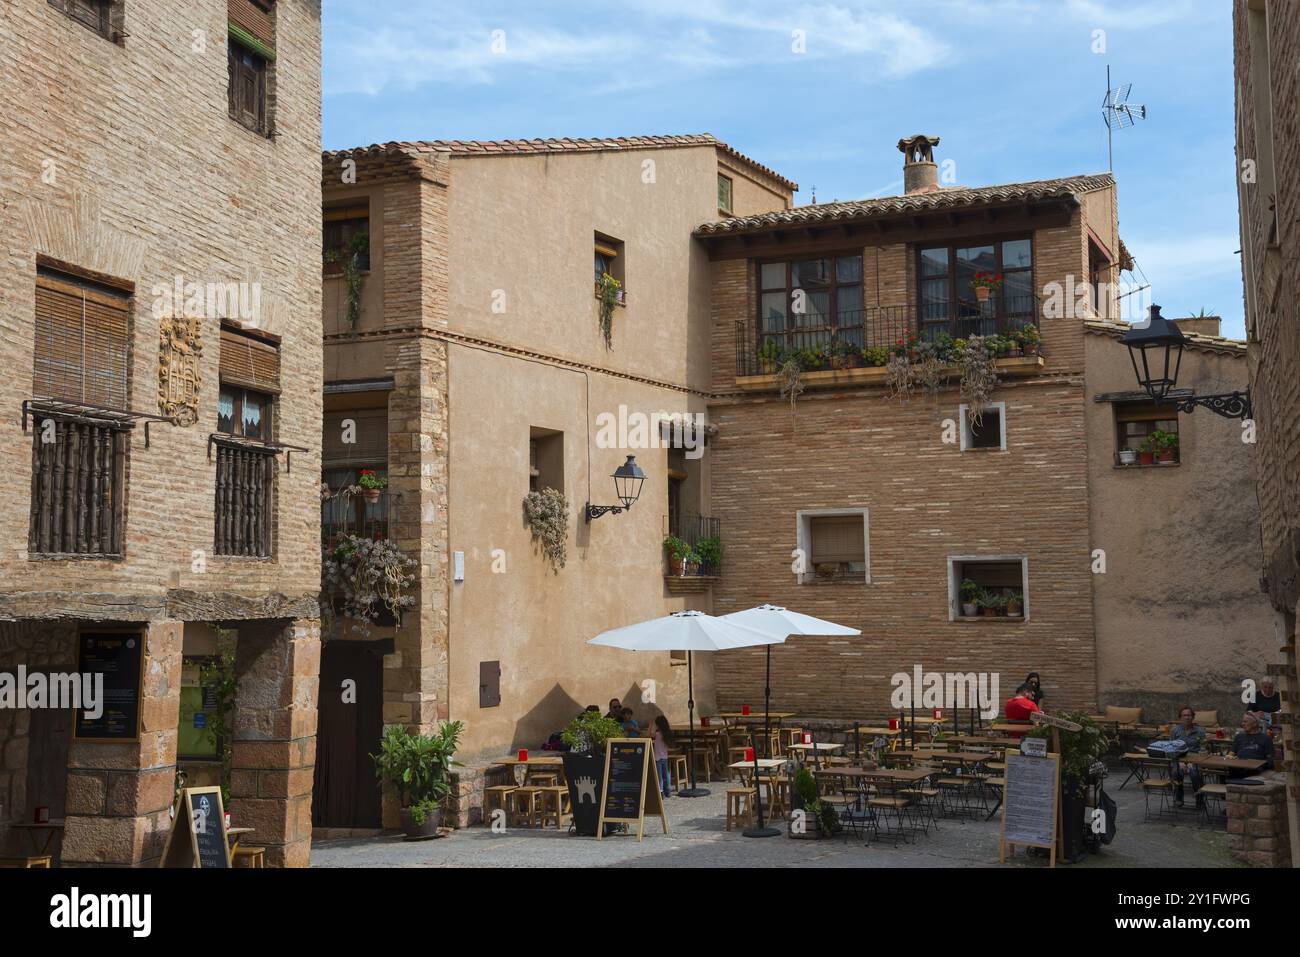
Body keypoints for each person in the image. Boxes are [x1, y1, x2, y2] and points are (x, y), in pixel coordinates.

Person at [1168, 706, 1206, 806]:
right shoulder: (1175, 731)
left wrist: (1192, 761)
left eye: (1189, 715)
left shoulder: (1200, 731)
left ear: (1193, 717)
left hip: (1195, 760)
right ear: (1180, 717)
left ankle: (1199, 798)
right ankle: (1179, 797)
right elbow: (1171, 749)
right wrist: (1180, 761)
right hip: (1178, 759)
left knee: (1194, 773)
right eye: (1184, 715)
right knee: (1176, 772)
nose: (1186, 717)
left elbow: (1203, 750)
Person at [1230, 713, 1275, 777]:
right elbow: (1231, 754)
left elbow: (1271, 761)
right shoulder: (1239, 737)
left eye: (1245, 722)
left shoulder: (1266, 739)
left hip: (1255, 772)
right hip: (1238, 769)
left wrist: (1260, 765)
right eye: (1242, 722)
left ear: (1255, 724)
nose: (1242, 724)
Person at [652, 716, 673, 798]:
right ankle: (668, 790)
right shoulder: (667, 734)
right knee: (666, 774)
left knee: (659, 776)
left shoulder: (657, 734)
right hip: (665, 757)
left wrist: (650, 725)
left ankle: (661, 792)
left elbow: (648, 734)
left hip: (657, 758)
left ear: (658, 725)